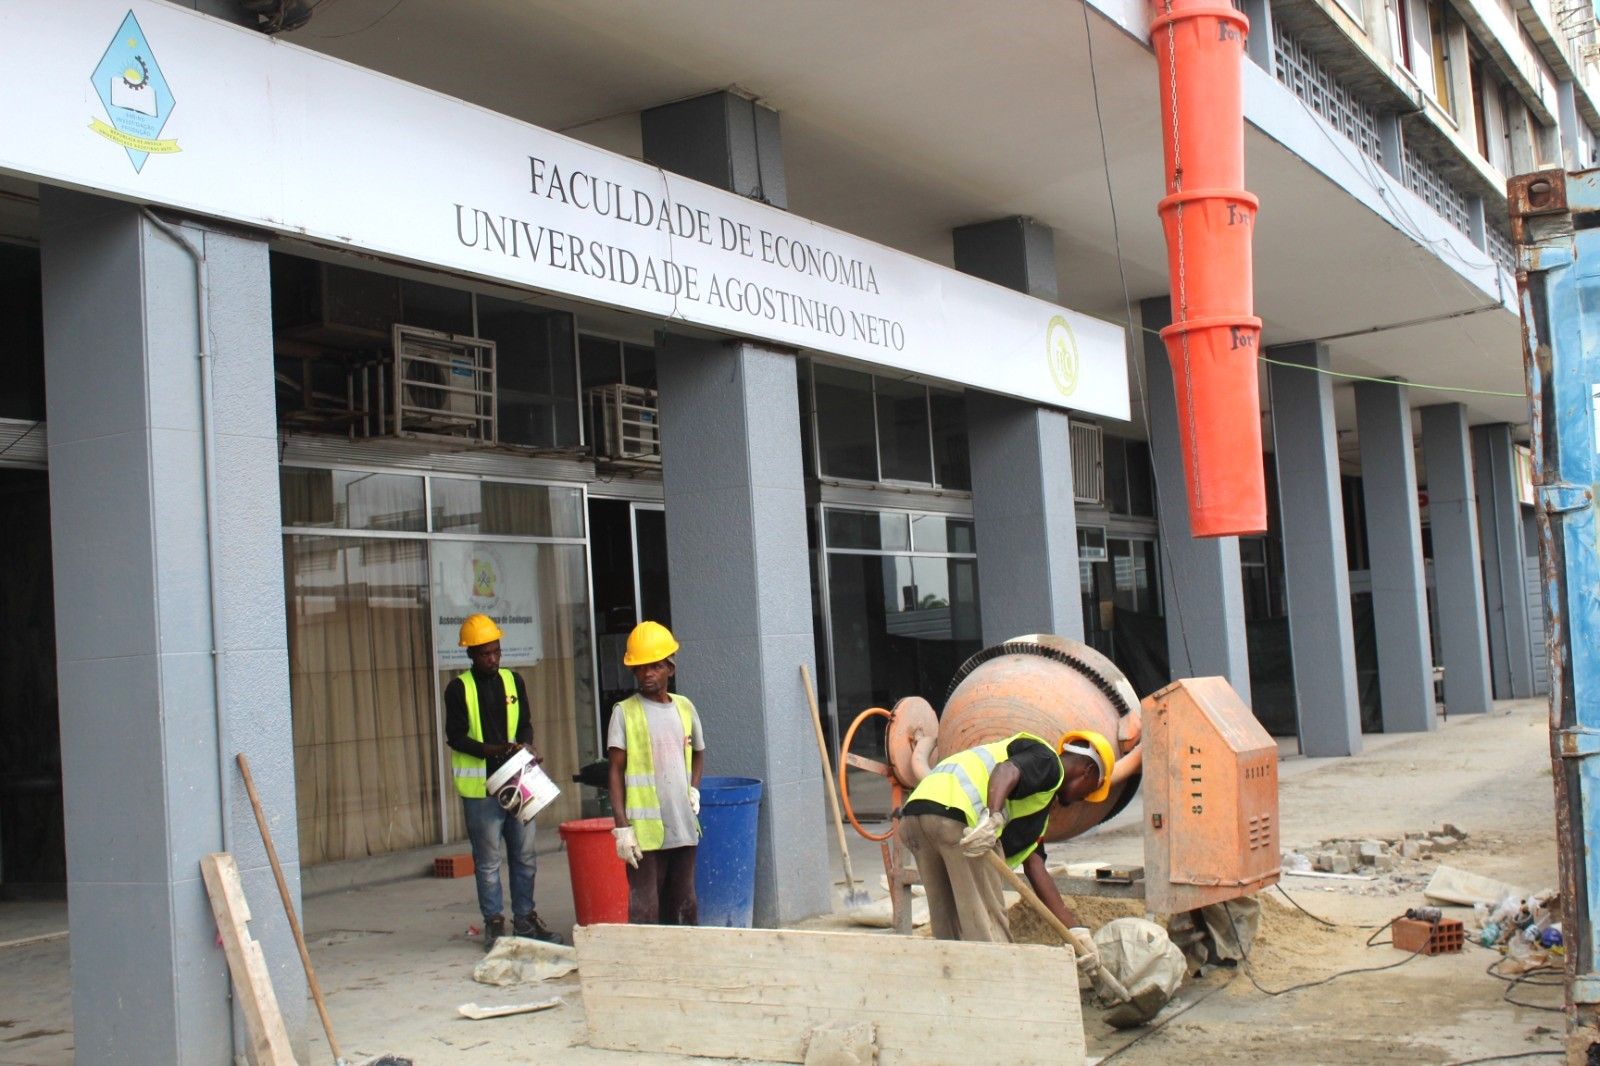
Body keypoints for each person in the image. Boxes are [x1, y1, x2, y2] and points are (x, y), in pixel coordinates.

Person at [900, 729, 1115, 956]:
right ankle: (999, 985)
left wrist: (1076, 933)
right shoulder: (1049, 763)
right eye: (1092, 789)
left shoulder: (1036, 808)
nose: (1083, 799)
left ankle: (953, 987)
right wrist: (992, 818)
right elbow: (1006, 770)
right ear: (1088, 771)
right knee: (987, 924)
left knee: (948, 927)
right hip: (959, 818)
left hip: (915, 817)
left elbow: (1036, 867)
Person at [444, 613, 561, 948]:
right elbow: (456, 737)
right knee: (489, 861)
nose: (492, 658)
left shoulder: (513, 681)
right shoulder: (458, 689)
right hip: (481, 789)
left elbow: (525, 723)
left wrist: (526, 745)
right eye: (484, 653)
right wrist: (496, 750)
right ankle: (495, 923)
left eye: (496, 651)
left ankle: (524, 919)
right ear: (470, 655)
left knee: (525, 856)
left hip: (517, 779)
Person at [606, 621, 706, 925]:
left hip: (682, 825)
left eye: (654, 666)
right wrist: (622, 826)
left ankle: (684, 966)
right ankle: (647, 969)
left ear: (669, 669)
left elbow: (699, 751)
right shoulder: (624, 712)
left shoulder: (685, 708)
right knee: (645, 909)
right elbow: (615, 770)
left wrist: (694, 788)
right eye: (640, 668)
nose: (647, 673)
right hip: (644, 834)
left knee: (684, 905)